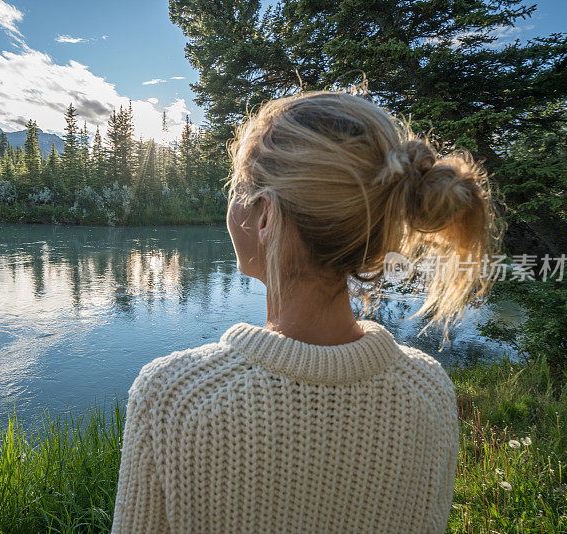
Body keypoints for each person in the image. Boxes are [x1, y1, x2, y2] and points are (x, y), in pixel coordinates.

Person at [111, 91, 499, 533]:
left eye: (238, 188)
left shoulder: (174, 397)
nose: (231, 203)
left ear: (265, 217)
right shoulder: (428, 392)